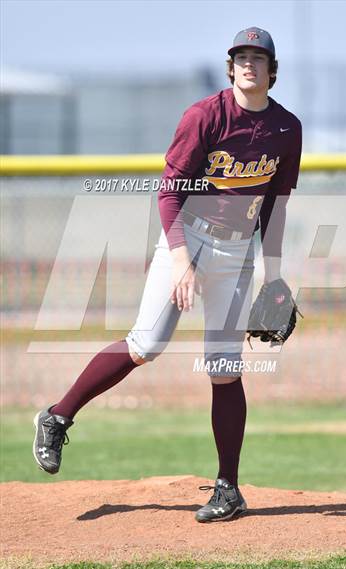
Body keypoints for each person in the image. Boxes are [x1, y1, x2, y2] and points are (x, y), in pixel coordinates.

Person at [33, 27, 302, 523]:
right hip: (188, 236)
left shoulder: (287, 128)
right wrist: (182, 261)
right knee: (146, 344)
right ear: (230, 67)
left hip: (239, 250)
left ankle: (228, 489)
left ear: (271, 69)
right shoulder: (206, 115)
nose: (248, 64)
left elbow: (276, 206)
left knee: (225, 368)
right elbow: (169, 193)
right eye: (240, 56)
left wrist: (277, 276)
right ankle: (57, 415)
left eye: (257, 57)